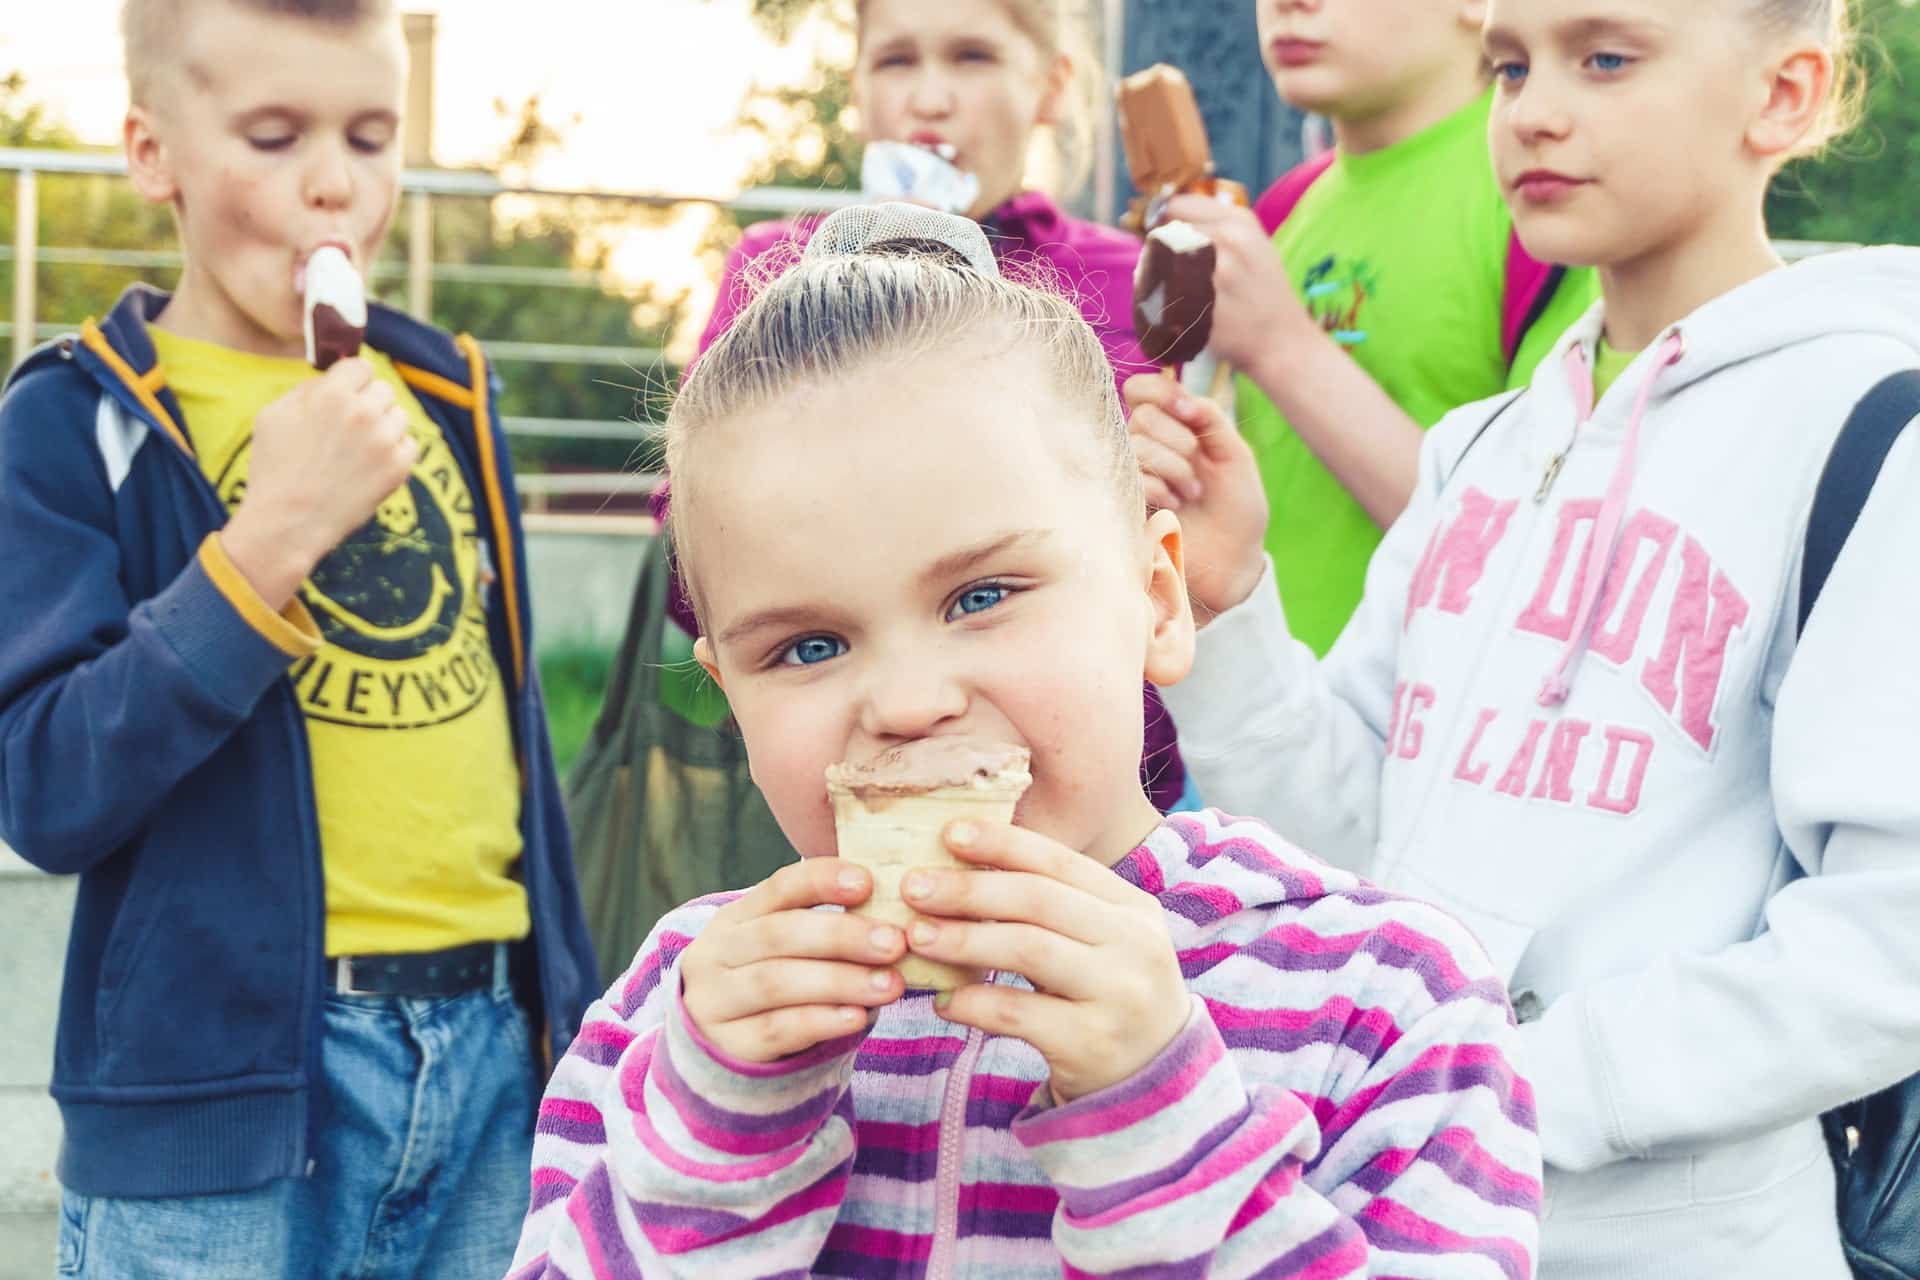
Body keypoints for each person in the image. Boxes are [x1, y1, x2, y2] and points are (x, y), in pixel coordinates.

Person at [506, 203, 1540, 1279]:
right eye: (808, 646)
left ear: (1160, 598)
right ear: (729, 692)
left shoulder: (1377, 997)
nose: (906, 703)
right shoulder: (674, 1011)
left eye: (981, 593)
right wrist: (709, 1136)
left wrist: (1162, 1126)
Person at [1133, 0, 1920, 1272]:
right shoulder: (1482, 449)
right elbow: (1355, 839)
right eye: (1510, 65)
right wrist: (1227, 606)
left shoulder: (1872, 431)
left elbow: (1895, 940)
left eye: (1605, 57)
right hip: (1404, 1217)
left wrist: (1524, 1077)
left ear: (1783, 96)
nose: (1534, 109)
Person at [0, 2, 597, 1275]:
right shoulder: (73, 421)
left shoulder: (441, 392)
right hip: (220, 1094)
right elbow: (45, 783)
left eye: (371, 137)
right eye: (273, 137)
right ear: (152, 154)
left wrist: (573, 1022)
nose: (334, 183)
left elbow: (516, 750)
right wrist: (264, 543)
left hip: (498, 1057)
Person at [661, 0, 1193, 807]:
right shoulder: (780, 278)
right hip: (867, 793)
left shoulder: (1128, 275)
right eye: (897, 61)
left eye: (971, 57)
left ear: (1049, 86)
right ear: (859, 86)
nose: (930, 98)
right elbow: (695, 567)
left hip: (1111, 781)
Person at [1136, 0, 1597, 654]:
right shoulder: (1282, 208)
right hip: (1261, 716)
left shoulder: (1548, 199)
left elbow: (1534, 554)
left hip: (1432, 725)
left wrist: (1281, 346)